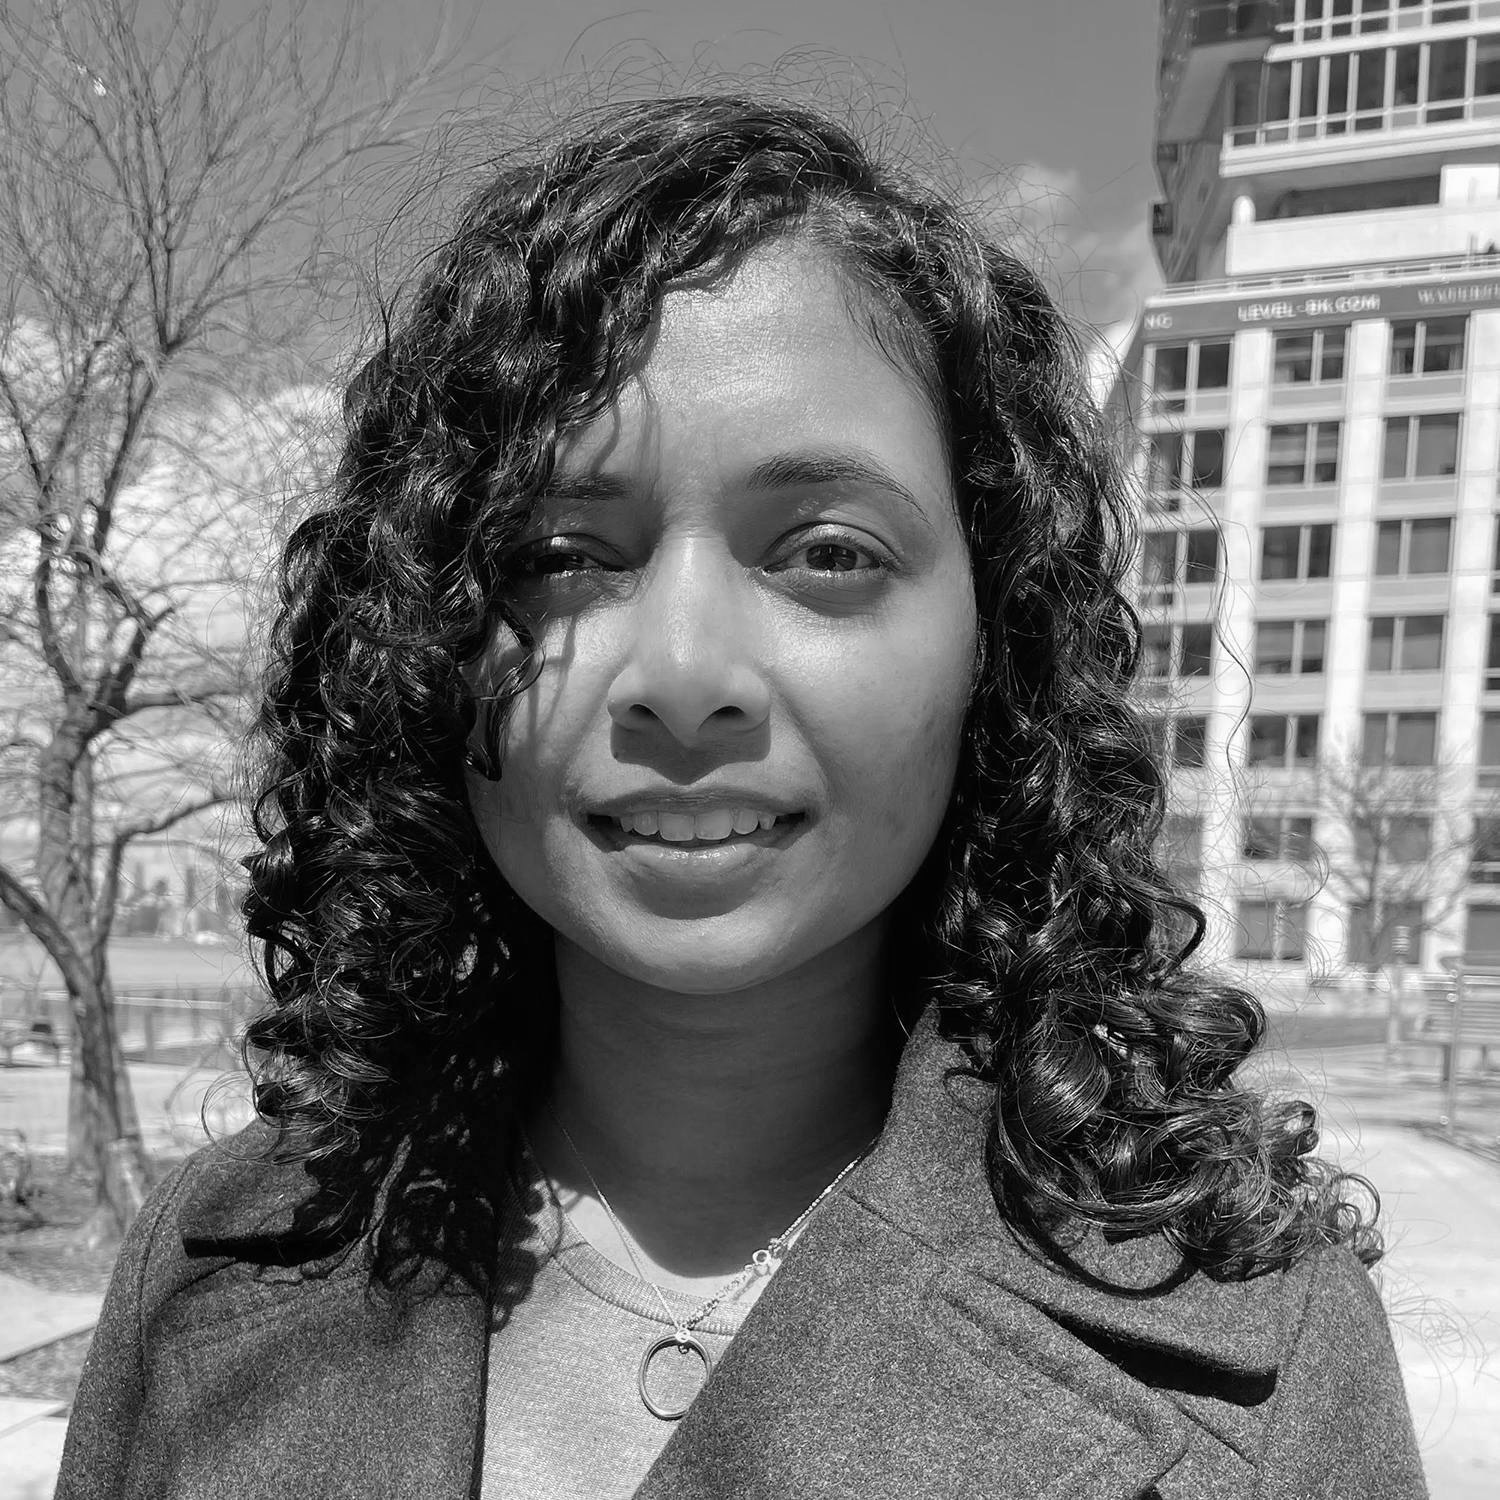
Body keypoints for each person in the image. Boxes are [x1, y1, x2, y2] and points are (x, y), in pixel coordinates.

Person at [57, 93, 1427, 1499]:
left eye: (827, 552)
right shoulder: (210, 1267)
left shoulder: (1257, 1350)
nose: (685, 673)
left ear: (992, 643)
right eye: (556, 554)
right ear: (430, 640)